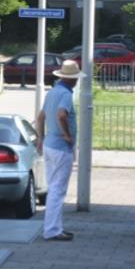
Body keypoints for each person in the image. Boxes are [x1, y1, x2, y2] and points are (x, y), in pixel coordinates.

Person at [35, 60, 84, 241]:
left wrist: (40, 138)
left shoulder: (52, 92)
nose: (77, 81)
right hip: (61, 148)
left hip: (49, 144)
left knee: (53, 187)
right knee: (58, 189)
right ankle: (53, 230)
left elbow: (40, 118)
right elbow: (61, 114)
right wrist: (67, 135)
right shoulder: (65, 94)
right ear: (72, 79)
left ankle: (53, 227)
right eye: (76, 78)